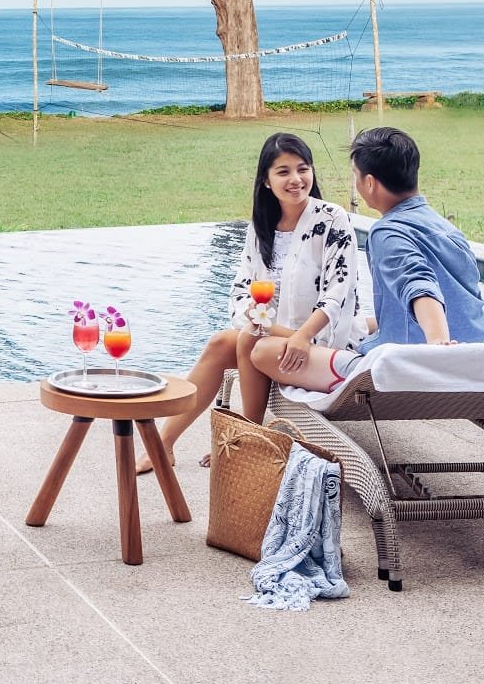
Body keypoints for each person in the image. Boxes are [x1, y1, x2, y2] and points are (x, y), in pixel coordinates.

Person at [140, 132, 365, 471]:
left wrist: (301, 336)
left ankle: (248, 439)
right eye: (283, 171)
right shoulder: (262, 227)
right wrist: (256, 317)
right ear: (266, 181)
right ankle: (163, 446)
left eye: (303, 169)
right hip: (274, 334)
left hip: (322, 341)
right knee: (221, 343)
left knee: (249, 339)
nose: (296, 179)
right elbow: (241, 291)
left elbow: (339, 291)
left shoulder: (332, 218)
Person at [245, 127, 484, 396]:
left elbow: (420, 286)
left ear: (369, 183)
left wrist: (439, 347)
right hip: (472, 361)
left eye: (355, 175)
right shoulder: (448, 230)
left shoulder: (388, 233)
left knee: (263, 350)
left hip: (404, 370)